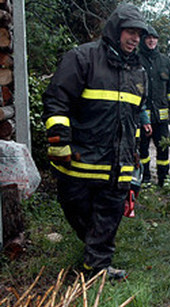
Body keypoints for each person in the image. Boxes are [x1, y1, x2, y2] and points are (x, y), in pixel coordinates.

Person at [42, 3, 148, 280]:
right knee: (81, 215)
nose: (134, 38)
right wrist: (58, 141)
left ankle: (96, 269)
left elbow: (133, 119)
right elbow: (57, 100)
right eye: (130, 32)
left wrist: (133, 158)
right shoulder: (82, 58)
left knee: (109, 217)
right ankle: (94, 251)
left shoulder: (139, 73)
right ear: (115, 30)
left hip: (117, 167)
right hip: (80, 162)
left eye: (139, 33)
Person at [138, 25, 170, 187]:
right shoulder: (136, 59)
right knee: (142, 150)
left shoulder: (165, 62)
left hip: (161, 118)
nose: (151, 40)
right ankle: (144, 177)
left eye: (154, 38)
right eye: (148, 37)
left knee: (163, 149)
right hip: (142, 117)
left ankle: (163, 179)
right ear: (143, 39)